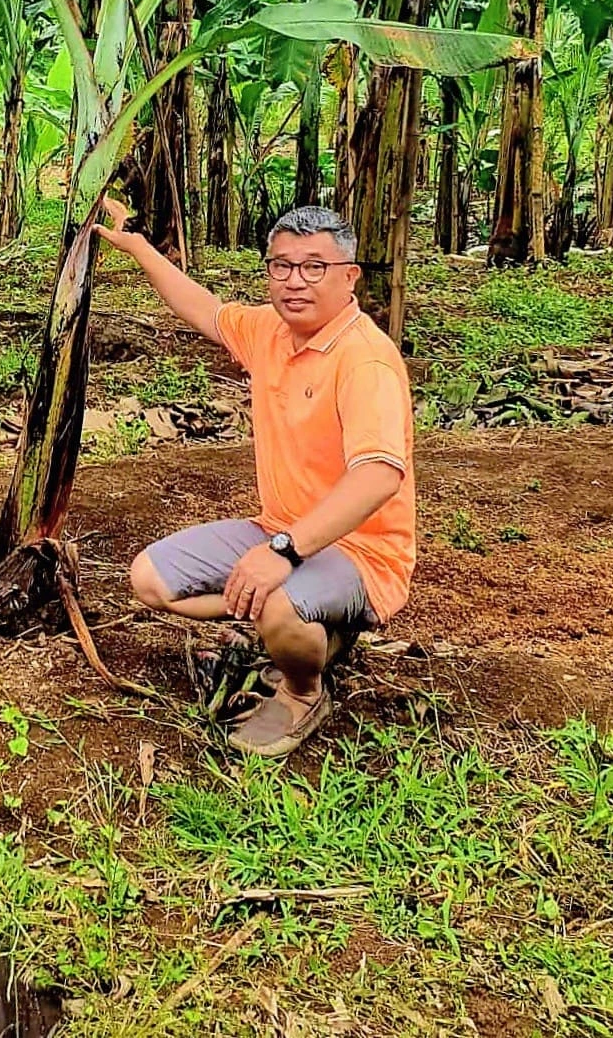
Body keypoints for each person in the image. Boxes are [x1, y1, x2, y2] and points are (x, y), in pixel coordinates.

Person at [94, 199, 415, 758]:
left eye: (315, 267)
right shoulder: (270, 331)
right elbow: (205, 310)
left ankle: (302, 689)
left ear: (350, 278)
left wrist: (284, 554)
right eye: (282, 266)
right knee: (149, 579)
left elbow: (379, 475)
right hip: (279, 529)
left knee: (278, 605)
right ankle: (310, 632)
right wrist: (138, 247)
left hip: (361, 553)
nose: (296, 281)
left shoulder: (366, 361)